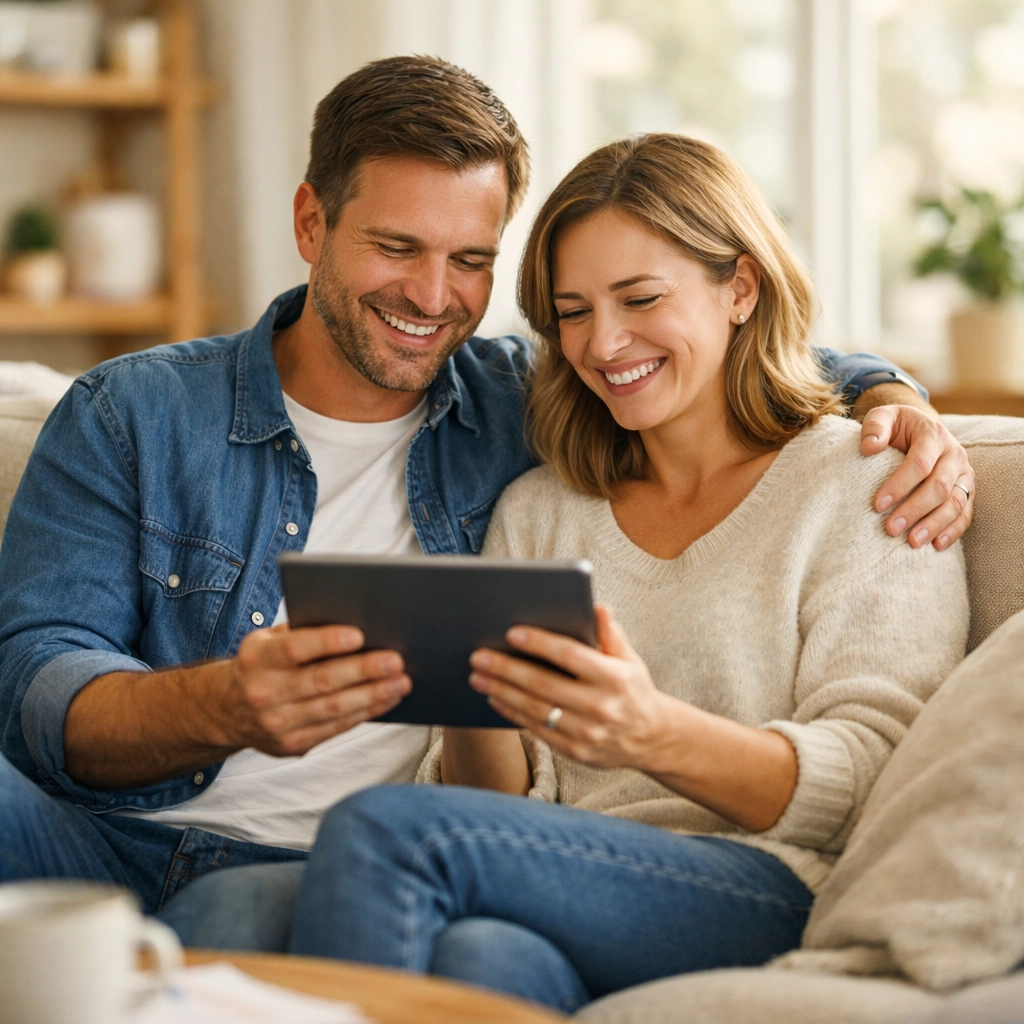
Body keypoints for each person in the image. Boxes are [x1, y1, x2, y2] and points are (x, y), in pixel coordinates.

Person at [0, 56, 971, 937]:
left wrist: (895, 398)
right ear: (310, 222)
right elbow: (33, 684)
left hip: (335, 860)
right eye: (396, 247)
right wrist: (224, 703)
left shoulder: (519, 395)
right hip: (104, 829)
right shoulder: (133, 411)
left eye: (470, 261)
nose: (432, 297)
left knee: (262, 910)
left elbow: (731, 359)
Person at [271, 134, 970, 1013]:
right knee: (485, 959)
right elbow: (504, 802)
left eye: (641, 298)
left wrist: (648, 732)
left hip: (776, 884)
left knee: (378, 831)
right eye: (572, 312)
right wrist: (460, 686)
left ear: (740, 289)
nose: (604, 343)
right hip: (564, 883)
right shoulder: (541, 510)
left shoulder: (870, 483)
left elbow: (874, 774)